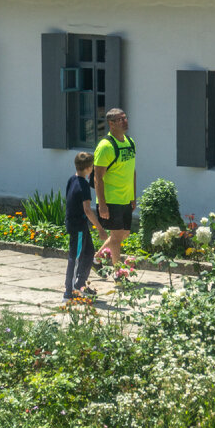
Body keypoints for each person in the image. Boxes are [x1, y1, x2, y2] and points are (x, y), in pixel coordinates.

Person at [94, 107, 136, 267]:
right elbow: (98, 178)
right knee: (117, 237)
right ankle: (119, 273)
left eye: (125, 118)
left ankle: (96, 258)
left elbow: (132, 171)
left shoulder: (130, 142)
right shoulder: (106, 146)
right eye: (120, 119)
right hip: (111, 199)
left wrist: (133, 196)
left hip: (126, 198)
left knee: (124, 234)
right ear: (111, 124)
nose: (125, 121)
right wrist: (102, 205)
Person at [64, 151, 105, 300]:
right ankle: (69, 292)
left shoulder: (72, 179)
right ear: (89, 168)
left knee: (88, 253)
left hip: (78, 224)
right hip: (78, 226)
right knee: (75, 258)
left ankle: (80, 284)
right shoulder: (83, 185)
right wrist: (100, 228)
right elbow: (87, 210)